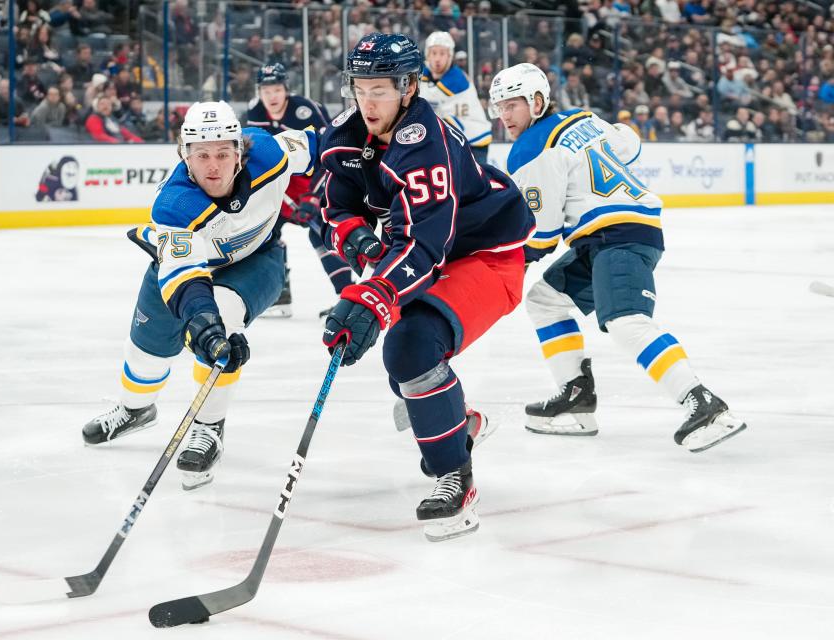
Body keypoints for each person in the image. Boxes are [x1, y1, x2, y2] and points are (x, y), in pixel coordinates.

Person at [318, 34, 535, 541]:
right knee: (406, 368)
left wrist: (373, 294)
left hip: (486, 255)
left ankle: (453, 477)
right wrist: (358, 244)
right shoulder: (345, 135)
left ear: (409, 87)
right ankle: (459, 422)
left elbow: (423, 244)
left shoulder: (424, 141)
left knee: (412, 347)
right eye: (360, 89)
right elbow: (331, 208)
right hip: (434, 253)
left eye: (381, 90)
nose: (368, 102)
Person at [488, 63, 747, 452]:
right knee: (545, 300)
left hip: (617, 236)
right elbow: (630, 143)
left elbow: (542, 235)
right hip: (614, 234)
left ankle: (704, 403)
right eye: (499, 107)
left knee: (626, 321)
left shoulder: (529, 150)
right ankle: (576, 397)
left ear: (537, 101)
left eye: (513, 105)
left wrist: (504, 259)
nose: (505, 115)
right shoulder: (583, 118)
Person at [81, 102, 318, 491]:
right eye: (202, 155)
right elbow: (186, 282)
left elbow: (326, 145)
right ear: (184, 155)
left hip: (257, 262)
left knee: (221, 319)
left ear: (240, 151)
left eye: (224, 154)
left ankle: (209, 427)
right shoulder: (174, 206)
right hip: (186, 271)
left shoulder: (271, 153)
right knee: (147, 351)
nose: (214, 166)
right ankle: (135, 409)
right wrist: (203, 328)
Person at [243, 62, 350, 317]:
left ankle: (348, 297)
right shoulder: (254, 110)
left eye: (276, 89)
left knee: (323, 236)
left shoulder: (305, 110)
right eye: (266, 90)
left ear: (286, 90)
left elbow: (328, 154)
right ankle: (280, 296)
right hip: (281, 186)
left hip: (315, 181)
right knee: (266, 234)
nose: (271, 96)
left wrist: (314, 195)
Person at [417, 31, 493, 164]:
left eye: (442, 53)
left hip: (473, 141)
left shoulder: (456, 78)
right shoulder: (426, 74)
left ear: (450, 56)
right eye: (433, 53)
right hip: (453, 139)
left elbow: (428, 99)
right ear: (427, 55)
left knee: (474, 184)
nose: (437, 58)